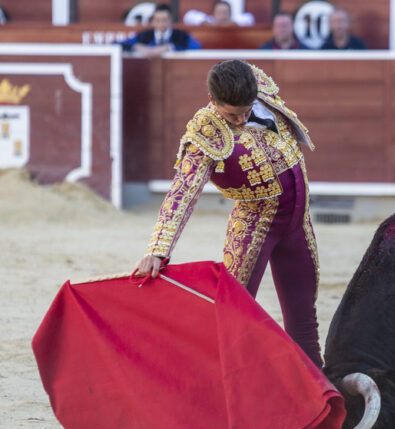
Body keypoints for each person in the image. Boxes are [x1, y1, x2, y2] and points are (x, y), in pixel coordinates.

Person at [134, 60, 322, 368]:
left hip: (298, 225)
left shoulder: (260, 90)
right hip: (254, 226)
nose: (241, 120)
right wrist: (157, 250)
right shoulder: (206, 132)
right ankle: (223, 386)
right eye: (232, 115)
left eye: (246, 111)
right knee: (233, 317)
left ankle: (317, 390)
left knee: (303, 316)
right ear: (212, 100)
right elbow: (182, 192)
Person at [121, 3, 201, 56]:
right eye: (157, 20)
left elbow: (196, 46)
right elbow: (120, 44)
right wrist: (136, 47)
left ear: (171, 20)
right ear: (153, 21)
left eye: (164, 20)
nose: (161, 24)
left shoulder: (181, 35)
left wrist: (169, 47)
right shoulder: (144, 36)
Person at [182, 0, 256, 27]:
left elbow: (250, 18)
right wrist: (205, 23)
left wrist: (233, 23)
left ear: (230, 14)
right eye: (219, 12)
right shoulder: (209, 20)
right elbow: (188, 16)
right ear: (213, 13)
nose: (222, 16)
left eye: (225, 12)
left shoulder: (235, 21)